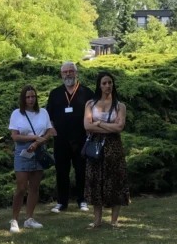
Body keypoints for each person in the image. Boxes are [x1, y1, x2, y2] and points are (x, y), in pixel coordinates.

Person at [83, 72, 129, 229]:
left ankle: (114, 220)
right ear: (99, 85)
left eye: (110, 82)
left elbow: (119, 127)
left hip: (114, 147)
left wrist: (99, 123)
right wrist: (107, 126)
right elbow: (87, 126)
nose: (108, 86)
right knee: (96, 180)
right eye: (104, 83)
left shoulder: (120, 106)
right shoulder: (90, 104)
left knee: (115, 180)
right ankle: (97, 220)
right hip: (95, 146)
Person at [46, 62, 93, 214]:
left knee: (81, 171)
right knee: (61, 172)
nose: (67, 74)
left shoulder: (87, 92)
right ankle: (61, 202)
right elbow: (49, 116)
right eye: (65, 72)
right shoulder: (55, 93)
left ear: (76, 73)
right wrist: (51, 129)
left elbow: (94, 114)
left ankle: (82, 200)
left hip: (81, 139)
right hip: (61, 140)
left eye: (70, 71)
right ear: (61, 74)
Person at [8, 85, 55, 233]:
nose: (30, 99)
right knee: (21, 188)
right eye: (27, 97)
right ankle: (14, 219)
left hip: (39, 150)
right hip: (23, 150)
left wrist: (40, 141)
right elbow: (15, 136)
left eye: (33, 96)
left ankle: (29, 218)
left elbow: (49, 131)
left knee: (35, 187)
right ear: (23, 98)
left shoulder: (43, 113)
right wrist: (34, 137)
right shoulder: (17, 114)